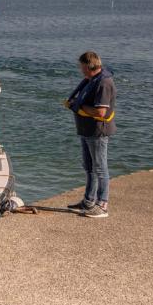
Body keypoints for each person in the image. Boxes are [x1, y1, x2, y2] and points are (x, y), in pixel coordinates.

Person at [64, 51, 116, 219]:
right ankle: (88, 201)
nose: (80, 70)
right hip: (86, 130)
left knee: (100, 167)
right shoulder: (91, 80)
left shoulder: (103, 83)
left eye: (81, 66)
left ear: (87, 66)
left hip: (97, 131)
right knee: (89, 167)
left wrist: (77, 107)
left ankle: (102, 205)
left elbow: (101, 112)